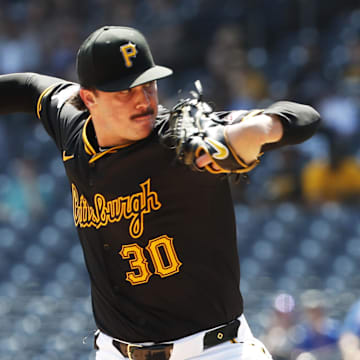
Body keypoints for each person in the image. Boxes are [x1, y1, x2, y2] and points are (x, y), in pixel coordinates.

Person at [0, 25, 320, 360]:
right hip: (114, 352)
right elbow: (25, 87)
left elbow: (305, 118)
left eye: (148, 84)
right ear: (88, 98)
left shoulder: (183, 142)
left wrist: (260, 129)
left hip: (213, 351)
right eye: (125, 91)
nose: (143, 100)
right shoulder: (71, 126)